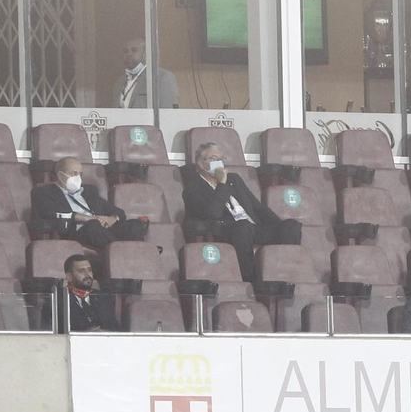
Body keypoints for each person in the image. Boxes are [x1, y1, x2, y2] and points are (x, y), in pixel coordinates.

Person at [182, 143, 300, 283]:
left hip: (252, 228)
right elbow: (212, 214)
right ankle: (248, 281)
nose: (219, 163)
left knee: (291, 226)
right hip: (225, 231)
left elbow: (257, 207)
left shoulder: (234, 179)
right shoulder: (193, 189)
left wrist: (280, 226)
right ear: (201, 164)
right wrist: (222, 184)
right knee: (243, 227)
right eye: (213, 159)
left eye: (221, 159)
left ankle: (285, 277)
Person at [33, 157, 149, 252]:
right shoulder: (45, 192)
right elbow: (49, 212)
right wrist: (86, 218)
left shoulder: (89, 193)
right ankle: (123, 253)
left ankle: (139, 256)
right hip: (77, 232)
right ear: (60, 175)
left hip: (103, 229)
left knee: (135, 225)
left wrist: (112, 219)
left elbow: (119, 212)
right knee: (93, 226)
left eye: (80, 174)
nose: (78, 177)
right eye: (74, 173)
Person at [119, 38, 179, 110]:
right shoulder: (119, 83)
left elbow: (169, 115)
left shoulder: (161, 77)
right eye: (125, 51)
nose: (129, 54)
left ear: (145, 54)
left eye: (134, 50)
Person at [64, 254, 116, 333]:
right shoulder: (60, 299)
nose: (88, 274)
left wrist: (103, 332)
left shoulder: (102, 297)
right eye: (81, 271)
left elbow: (116, 329)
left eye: (89, 270)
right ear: (69, 276)